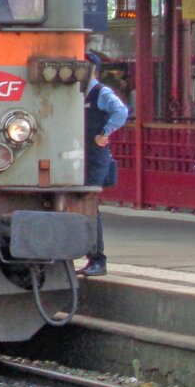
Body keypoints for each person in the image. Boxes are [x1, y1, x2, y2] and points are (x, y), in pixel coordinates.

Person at [78, 51, 129, 277]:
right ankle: (91, 256)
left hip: (95, 155)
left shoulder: (101, 93)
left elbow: (121, 111)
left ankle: (98, 258)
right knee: (85, 203)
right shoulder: (76, 93)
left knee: (90, 202)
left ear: (93, 70)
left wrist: (105, 132)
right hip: (78, 155)